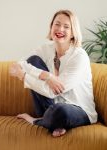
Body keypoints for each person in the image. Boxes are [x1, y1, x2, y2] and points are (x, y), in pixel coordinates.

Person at [9, 9, 98, 137]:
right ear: (51, 27)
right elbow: (19, 64)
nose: (60, 29)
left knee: (60, 110)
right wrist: (46, 76)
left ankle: (38, 121)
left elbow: (53, 91)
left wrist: (24, 76)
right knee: (33, 60)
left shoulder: (79, 56)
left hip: (77, 110)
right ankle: (52, 122)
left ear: (73, 33)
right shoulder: (46, 49)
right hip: (49, 107)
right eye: (57, 24)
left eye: (66, 26)